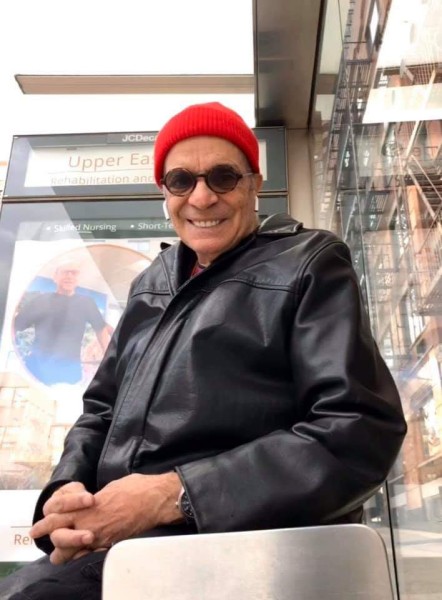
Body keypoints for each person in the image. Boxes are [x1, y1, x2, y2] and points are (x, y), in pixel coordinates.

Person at [1, 102, 407, 600]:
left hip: (232, 549)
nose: (202, 196)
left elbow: (359, 430)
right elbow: (101, 409)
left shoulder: (309, 263)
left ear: (254, 184)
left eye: (223, 177)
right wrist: (67, 492)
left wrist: (173, 494)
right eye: (181, 180)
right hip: (118, 546)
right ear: (164, 192)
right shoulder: (151, 282)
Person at [14, 260, 112, 385]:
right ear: (55, 277)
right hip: (36, 367)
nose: (69, 276)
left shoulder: (86, 303)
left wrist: (108, 357)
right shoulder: (40, 300)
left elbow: (100, 328)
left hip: (69, 369)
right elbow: (15, 325)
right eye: (65, 272)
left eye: (74, 273)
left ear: (77, 279)